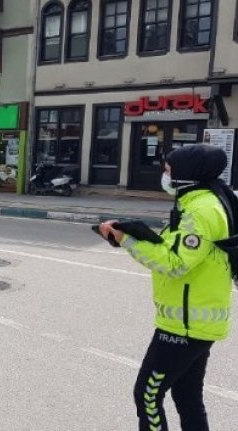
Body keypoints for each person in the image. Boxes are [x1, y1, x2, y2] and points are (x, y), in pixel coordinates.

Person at [97, 144, 235, 431]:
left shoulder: (200, 210)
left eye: (169, 170)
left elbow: (175, 262)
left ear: (187, 174)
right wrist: (130, 234)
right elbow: (174, 248)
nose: (165, 175)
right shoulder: (201, 201)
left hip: (184, 327)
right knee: (187, 396)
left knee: (147, 395)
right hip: (194, 322)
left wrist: (126, 240)